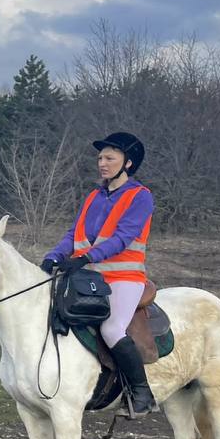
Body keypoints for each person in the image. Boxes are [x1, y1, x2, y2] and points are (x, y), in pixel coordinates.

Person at [40, 131, 155, 416]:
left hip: (123, 278)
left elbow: (123, 238)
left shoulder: (141, 197)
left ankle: (142, 393)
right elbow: (74, 234)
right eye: (100, 158)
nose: (102, 163)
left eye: (109, 158)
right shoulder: (93, 196)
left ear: (128, 163)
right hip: (88, 276)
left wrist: (86, 257)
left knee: (111, 329)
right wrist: (54, 255)